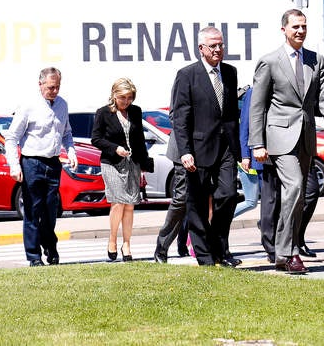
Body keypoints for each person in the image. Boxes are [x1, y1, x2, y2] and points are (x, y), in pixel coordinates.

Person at [249, 8, 324, 274]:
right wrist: (257, 143)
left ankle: (281, 251)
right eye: (295, 27)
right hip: (279, 137)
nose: (300, 31)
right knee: (295, 187)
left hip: (306, 137)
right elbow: (257, 106)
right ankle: (290, 253)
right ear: (284, 30)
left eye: (303, 26)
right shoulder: (270, 61)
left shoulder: (315, 60)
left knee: (298, 198)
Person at [170, 26, 241, 267]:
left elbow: (232, 115)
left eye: (221, 45)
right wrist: (185, 151)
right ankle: (205, 255)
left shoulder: (230, 73)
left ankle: (219, 247)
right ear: (201, 48)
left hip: (226, 149)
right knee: (197, 204)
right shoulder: (187, 75)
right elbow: (180, 117)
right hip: (198, 149)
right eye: (213, 46)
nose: (219, 49)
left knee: (229, 195)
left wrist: (241, 150)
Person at [4, 67, 78, 267]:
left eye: (57, 87)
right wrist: (13, 165)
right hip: (32, 162)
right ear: (41, 84)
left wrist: (71, 151)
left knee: (51, 211)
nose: (54, 91)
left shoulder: (62, 105)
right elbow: (11, 138)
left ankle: (50, 246)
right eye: (51, 87)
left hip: (53, 163)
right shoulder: (28, 106)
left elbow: (66, 133)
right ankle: (34, 256)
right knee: (33, 210)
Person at [91, 78, 154, 262]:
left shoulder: (135, 111)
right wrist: (114, 148)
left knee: (130, 205)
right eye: (122, 97)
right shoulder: (103, 113)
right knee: (118, 202)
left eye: (129, 97)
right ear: (114, 95)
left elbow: (139, 140)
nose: (126, 101)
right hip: (111, 162)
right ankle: (112, 239)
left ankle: (126, 243)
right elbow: (96, 139)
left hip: (132, 162)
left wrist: (144, 165)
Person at [153, 133, 190, 263]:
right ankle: (162, 245)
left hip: (204, 148)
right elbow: (178, 120)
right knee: (181, 199)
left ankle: (202, 247)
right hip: (183, 150)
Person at [236, 87, 262, 219]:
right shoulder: (252, 93)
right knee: (251, 202)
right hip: (250, 161)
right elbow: (244, 128)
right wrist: (245, 156)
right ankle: (217, 220)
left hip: (252, 161)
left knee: (256, 202)